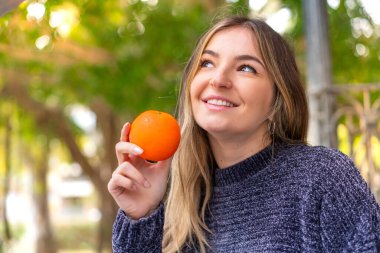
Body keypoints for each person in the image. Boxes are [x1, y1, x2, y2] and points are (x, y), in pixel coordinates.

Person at [108, 16, 380, 253]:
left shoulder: (322, 177)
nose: (218, 79)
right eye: (207, 63)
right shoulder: (177, 199)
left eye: (246, 68)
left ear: (278, 100)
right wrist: (140, 216)